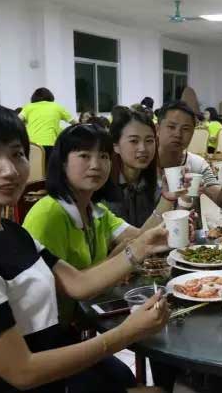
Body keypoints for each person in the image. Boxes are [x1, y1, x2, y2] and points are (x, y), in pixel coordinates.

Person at [0, 100, 168, 393]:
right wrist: (125, 334)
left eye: (17, 154)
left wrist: (140, 247)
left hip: (54, 367)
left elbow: (77, 284)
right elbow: (22, 372)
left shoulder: (12, 232)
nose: (10, 170)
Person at [22, 123, 153, 325]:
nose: (96, 165)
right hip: (55, 332)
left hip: (88, 319)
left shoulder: (95, 210)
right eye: (84, 155)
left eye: (103, 156)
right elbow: (62, 289)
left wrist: (171, 200)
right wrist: (116, 258)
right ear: (62, 163)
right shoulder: (48, 215)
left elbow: (143, 237)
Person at [105, 106, 185, 228]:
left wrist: (184, 202)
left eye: (149, 141)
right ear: (115, 146)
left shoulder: (151, 184)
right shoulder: (103, 188)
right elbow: (132, 238)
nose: (143, 148)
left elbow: (164, 228)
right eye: (134, 141)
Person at [156, 101, 222, 209]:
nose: (178, 134)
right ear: (157, 129)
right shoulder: (143, 163)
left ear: (192, 133)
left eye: (186, 129)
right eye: (171, 127)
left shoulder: (197, 164)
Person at [19, 87, 74, 161]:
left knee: (34, 167)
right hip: (50, 143)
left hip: (32, 145)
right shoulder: (57, 107)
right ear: (50, 96)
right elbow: (75, 123)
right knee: (50, 166)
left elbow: (17, 121)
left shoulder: (28, 107)